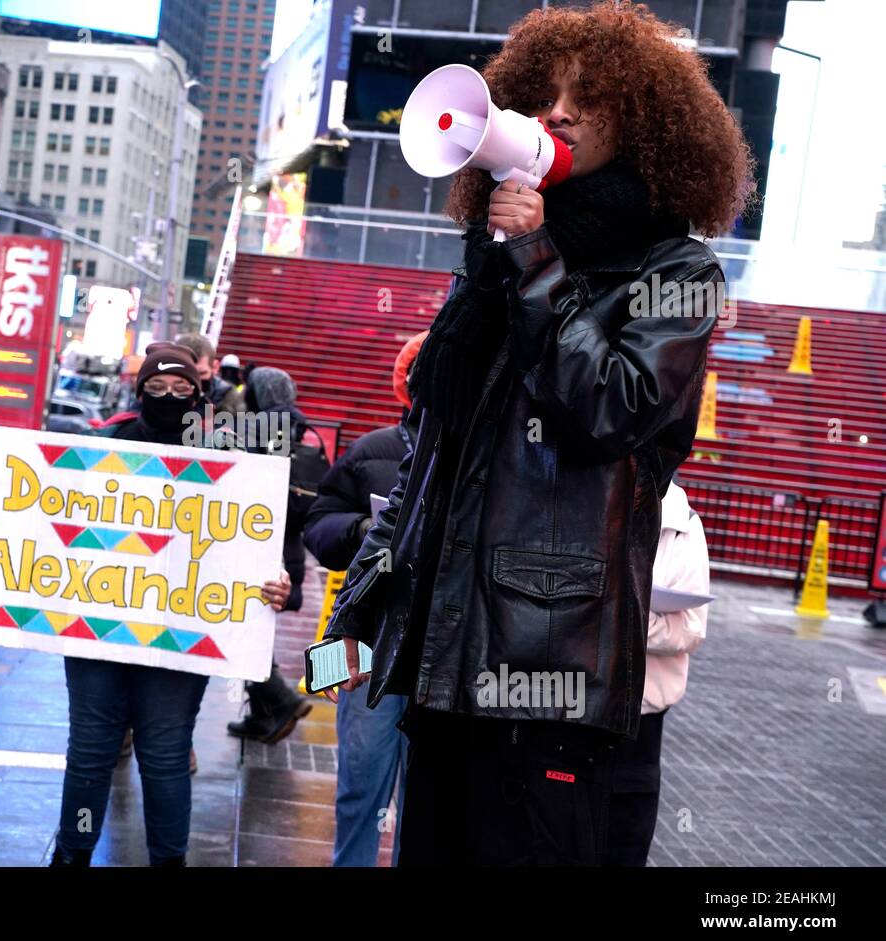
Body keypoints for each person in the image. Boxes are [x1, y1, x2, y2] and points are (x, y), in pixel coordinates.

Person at [323, 0, 753, 866]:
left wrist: (532, 263)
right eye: (545, 94)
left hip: (544, 678)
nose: (555, 112)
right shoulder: (503, 255)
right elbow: (431, 441)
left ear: (646, 124)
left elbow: (612, 411)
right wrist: (353, 624)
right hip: (441, 672)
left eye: (586, 98)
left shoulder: (678, 271)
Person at [0, 342, 292, 866]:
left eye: (183, 388)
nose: (169, 397)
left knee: (165, 758)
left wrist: (276, 582)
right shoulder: (105, 443)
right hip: (100, 632)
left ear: (201, 392)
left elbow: (254, 543)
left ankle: (168, 861)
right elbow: (42, 509)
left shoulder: (233, 460)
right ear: (138, 392)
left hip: (180, 634)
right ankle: (70, 857)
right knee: (90, 755)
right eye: (157, 388)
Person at [305, 332, 426, 866]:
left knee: (428, 802)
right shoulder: (373, 449)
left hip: (440, 647)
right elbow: (318, 526)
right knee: (359, 780)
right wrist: (359, 530)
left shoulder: (490, 457)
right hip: (365, 639)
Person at [607, 478, 709, 866]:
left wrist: (616, 617)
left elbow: (691, 628)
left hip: (641, 726)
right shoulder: (586, 499)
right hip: (573, 715)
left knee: (624, 851)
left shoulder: (683, 522)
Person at [225, 366, 314, 744]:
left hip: (264, 546)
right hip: (288, 545)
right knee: (254, 627)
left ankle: (279, 698)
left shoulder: (266, 427)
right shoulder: (298, 427)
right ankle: (265, 715)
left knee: (241, 628)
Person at [174, 333, 242, 416]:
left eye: (201, 373)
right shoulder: (159, 394)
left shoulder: (227, 398)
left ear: (215, 367)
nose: (193, 380)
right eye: (184, 374)